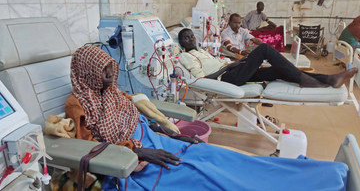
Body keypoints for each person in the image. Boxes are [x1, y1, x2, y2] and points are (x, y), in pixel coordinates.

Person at [66, 45, 348, 190]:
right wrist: (137, 152)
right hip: (135, 159)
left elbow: (139, 118)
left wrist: (171, 133)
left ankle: (321, 176)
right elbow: (88, 147)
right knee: (213, 179)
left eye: (111, 69)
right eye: (104, 71)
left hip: (159, 142)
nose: (110, 76)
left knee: (230, 160)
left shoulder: (113, 92)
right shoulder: (79, 105)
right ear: (88, 72)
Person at [179, 28, 358, 88]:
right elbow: (201, 80)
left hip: (233, 70)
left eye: (191, 36)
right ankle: (305, 79)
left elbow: (220, 62)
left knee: (275, 70)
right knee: (264, 49)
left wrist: (235, 62)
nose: (191, 39)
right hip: (226, 79)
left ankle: (329, 79)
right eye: (185, 38)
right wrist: (229, 67)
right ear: (181, 44)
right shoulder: (186, 57)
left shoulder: (203, 51)